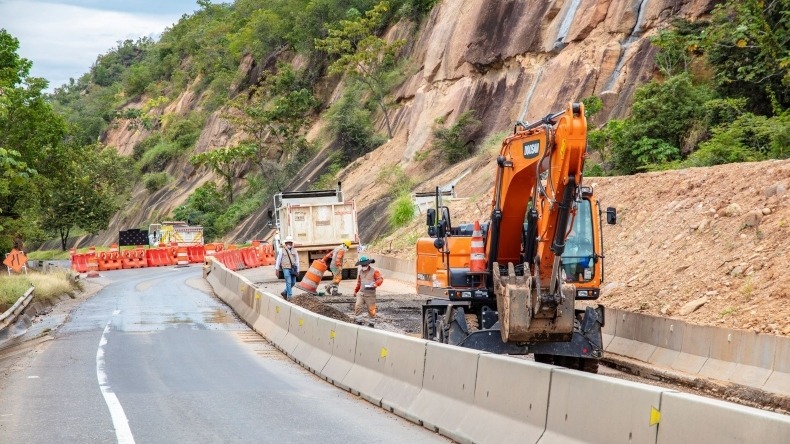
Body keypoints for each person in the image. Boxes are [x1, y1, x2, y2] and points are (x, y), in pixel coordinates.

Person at [353, 256, 383, 324]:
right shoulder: (360, 272)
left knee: (371, 309)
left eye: (365, 265)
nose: (363, 266)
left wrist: (376, 284)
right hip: (361, 292)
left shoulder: (374, 271)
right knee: (358, 306)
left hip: (370, 294)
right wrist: (355, 291)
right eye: (362, 265)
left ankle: (371, 322)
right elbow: (359, 283)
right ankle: (358, 320)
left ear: (368, 264)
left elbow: (380, 279)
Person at [275, 236, 300, 300]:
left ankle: (285, 292)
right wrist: (277, 269)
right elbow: (278, 260)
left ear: (292, 243)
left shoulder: (295, 250)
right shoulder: (282, 250)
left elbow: (297, 260)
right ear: (286, 243)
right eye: (288, 242)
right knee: (288, 281)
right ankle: (289, 296)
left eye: (290, 242)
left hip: (293, 268)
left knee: (293, 282)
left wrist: (298, 270)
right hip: (285, 268)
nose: (289, 244)